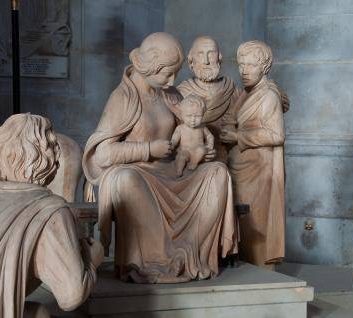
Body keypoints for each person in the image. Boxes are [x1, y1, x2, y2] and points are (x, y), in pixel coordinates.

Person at [82, 32, 237, 284]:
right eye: (167, 73)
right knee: (125, 180)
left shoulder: (170, 94)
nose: (172, 80)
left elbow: (189, 130)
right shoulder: (123, 98)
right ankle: (160, 258)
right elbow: (103, 153)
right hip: (141, 174)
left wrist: (199, 147)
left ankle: (189, 251)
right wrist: (148, 150)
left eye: (175, 73)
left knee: (217, 173)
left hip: (173, 172)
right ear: (149, 66)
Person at [0, 113, 104, 318]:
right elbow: (71, 296)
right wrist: (91, 261)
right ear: (54, 159)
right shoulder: (50, 212)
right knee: (41, 314)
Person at [221, 40, 289, 269]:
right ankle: (249, 267)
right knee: (244, 219)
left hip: (259, 168)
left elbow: (276, 135)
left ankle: (261, 270)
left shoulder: (268, 95)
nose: (243, 71)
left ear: (264, 66)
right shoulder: (246, 94)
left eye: (250, 65)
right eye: (241, 65)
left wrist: (238, 137)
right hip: (242, 166)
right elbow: (234, 120)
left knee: (256, 221)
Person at [177, 36, 240, 163]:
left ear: (219, 57)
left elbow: (253, 104)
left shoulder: (230, 88)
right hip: (190, 156)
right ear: (191, 60)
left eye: (211, 53)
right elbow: (174, 136)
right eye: (200, 54)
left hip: (227, 156)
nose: (206, 61)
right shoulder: (181, 92)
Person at [171, 95, 215, 176]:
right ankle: (179, 170)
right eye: (189, 116)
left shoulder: (202, 127)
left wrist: (210, 145)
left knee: (201, 150)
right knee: (181, 157)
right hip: (185, 151)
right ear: (182, 115)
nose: (193, 119)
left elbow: (210, 136)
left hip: (198, 152)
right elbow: (174, 139)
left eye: (198, 116)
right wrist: (172, 144)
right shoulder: (180, 128)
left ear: (203, 115)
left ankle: (194, 163)